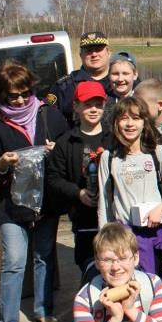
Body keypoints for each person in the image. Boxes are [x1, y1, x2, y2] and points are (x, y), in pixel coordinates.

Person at [0, 61, 69, 322]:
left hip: (47, 202)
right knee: (14, 261)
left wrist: (57, 153)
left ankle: (44, 311)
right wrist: (2, 163)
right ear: (2, 94)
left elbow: (68, 153)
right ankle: (7, 321)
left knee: (44, 256)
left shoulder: (50, 115)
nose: (19, 99)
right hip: (11, 205)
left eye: (24, 92)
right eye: (12, 95)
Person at [97, 97, 162, 276]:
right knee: (136, 285)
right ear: (116, 123)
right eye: (124, 118)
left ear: (144, 122)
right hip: (125, 235)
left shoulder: (157, 152)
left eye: (136, 118)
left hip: (156, 233)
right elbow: (104, 202)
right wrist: (104, 239)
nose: (130, 124)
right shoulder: (109, 158)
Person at [46, 80, 111, 275]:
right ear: (75, 106)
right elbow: (53, 179)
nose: (93, 109)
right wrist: (78, 193)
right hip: (83, 220)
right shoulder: (66, 142)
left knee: (115, 270)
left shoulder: (114, 137)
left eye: (98, 104)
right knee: (90, 270)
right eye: (87, 104)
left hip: (114, 218)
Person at [46, 31, 111, 128]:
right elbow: (49, 122)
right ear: (81, 55)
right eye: (88, 51)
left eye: (98, 49)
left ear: (109, 53)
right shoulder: (64, 87)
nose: (94, 54)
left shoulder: (123, 82)